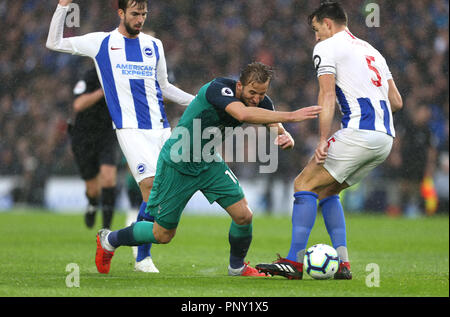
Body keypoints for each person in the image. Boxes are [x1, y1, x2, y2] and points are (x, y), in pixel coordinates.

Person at [94, 62, 322, 275]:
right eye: (252, 93)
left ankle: (237, 267)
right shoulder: (218, 88)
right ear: (240, 85)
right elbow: (242, 114)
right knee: (162, 234)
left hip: (208, 161)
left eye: (262, 94)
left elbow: (274, 124)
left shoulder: (260, 101)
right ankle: (110, 240)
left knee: (243, 215)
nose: (256, 99)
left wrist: (284, 137)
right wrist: (292, 115)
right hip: (178, 162)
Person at [256, 2, 403, 280]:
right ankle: (344, 264)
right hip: (384, 138)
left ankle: (294, 262)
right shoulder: (372, 50)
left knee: (303, 183)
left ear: (328, 23)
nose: (315, 37)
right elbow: (396, 101)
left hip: (358, 132)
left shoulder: (327, 47)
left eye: (316, 30)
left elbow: (326, 95)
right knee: (327, 192)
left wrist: (323, 139)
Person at [46, 0, 195, 273]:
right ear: (121, 13)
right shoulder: (101, 43)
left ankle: (114, 243)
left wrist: (198, 102)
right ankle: (142, 258)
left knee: (163, 195)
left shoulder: (154, 46)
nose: (140, 19)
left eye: (144, 14)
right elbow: (54, 42)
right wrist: (63, 6)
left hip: (161, 128)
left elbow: (164, 87)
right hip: (130, 130)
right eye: (135, 14)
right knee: (151, 188)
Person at [68, 67, 119, 230]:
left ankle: (106, 230)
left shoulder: (120, 74)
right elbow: (78, 104)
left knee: (108, 177)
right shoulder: (89, 76)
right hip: (84, 137)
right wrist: (102, 91)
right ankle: (92, 204)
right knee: (92, 189)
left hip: (107, 134)